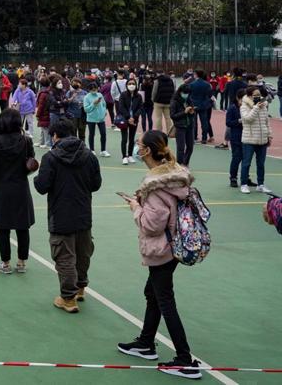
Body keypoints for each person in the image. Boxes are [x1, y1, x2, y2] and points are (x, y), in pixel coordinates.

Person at [116, 130, 201, 378]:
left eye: (139, 144)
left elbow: (151, 225)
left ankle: (185, 359)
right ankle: (145, 343)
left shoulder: (155, 187)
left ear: (148, 151)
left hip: (162, 247)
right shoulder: (174, 177)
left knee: (164, 299)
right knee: (152, 292)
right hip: (174, 245)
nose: (136, 146)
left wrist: (135, 207)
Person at [34, 118, 102, 313]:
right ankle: (80, 288)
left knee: (64, 256)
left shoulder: (51, 157)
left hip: (60, 213)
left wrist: (37, 176)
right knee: (83, 252)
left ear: (55, 135)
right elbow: (96, 184)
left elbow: (42, 186)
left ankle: (68, 298)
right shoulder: (89, 155)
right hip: (83, 212)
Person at [0, 109, 36, 275]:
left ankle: (5, 263)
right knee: (23, 227)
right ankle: (21, 262)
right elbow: (31, 162)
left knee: (3, 227)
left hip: (1, 187)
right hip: (21, 186)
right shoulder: (26, 141)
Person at [239, 86, 273, 195]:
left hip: (262, 139)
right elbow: (248, 119)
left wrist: (269, 135)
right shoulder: (244, 106)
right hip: (249, 139)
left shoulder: (264, 106)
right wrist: (255, 108)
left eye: (259, 95)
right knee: (246, 163)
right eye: (255, 95)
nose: (258, 97)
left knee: (261, 163)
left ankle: (260, 185)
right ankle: (244, 184)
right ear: (249, 96)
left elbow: (267, 122)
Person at [117, 79, 144, 165]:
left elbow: (140, 108)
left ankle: (130, 155)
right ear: (127, 85)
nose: (131, 85)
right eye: (129, 83)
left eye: (133, 83)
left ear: (136, 85)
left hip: (134, 120)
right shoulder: (123, 95)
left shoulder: (139, 96)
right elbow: (121, 107)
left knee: (132, 138)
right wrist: (128, 117)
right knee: (124, 138)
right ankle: (124, 157)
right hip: (124, 120)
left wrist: (134, 117)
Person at [169, 83, 196, 166]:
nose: (186, 95)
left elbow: (192, 113)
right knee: (180, 147)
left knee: (190, 147)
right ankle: (179, 164)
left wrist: (192, 112)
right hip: (180, 127)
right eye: (185, 93)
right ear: (180, 92)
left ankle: (185, 163)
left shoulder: (189, 100)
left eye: (188, 93)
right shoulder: (174, 102)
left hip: (190, 126)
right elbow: (173, 116)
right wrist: (184, 112)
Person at [189, 69, 214, 145]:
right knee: (204, 122)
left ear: (196, 74)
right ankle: (204, 138)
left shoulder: (192, 84)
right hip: (203, 105)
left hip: (194, 105)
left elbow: (189, 94)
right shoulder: (207, 84)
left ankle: (194, 137)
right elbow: (210, 95)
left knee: (194, 122)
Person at [84, 83, 109, 157]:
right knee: (91, 134)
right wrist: (93, 104)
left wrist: (104, 111)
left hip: (101, 118)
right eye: (92, 89)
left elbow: (104, 104)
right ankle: (92, 150)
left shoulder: (100, 95)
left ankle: (103, 150)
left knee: (103, 134)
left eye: (95, 88)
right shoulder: (86, 97)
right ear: (89, 89)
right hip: (91, 119)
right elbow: (86, 109)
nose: (94, 90)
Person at [224, 92, 244, 188]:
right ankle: (233, 178)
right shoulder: (232, 108)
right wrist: (239, 121)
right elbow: (228, 123)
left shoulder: (248, 108)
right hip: (236, 137)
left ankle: (245, 178)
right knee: (236, 158)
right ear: (237, 98)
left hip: (246, 137)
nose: (243, 102)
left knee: (246, 160)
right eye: (241, 99)